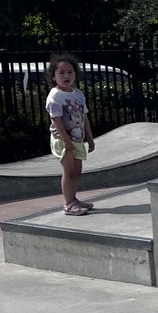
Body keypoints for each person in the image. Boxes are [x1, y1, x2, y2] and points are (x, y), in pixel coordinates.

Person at [45, 53, 95, 215]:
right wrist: (66, 141)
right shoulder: (55, 95)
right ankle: (68, 204)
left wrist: (90, 137)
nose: (66, 75)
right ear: (53, 77)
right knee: (68, 170)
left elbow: (84, 117)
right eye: (61, 73)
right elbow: (56, 120)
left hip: (78, 139)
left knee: (76, 170)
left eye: (70, 72)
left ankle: (74, 199)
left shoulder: (78, 94)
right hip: (62, 139)